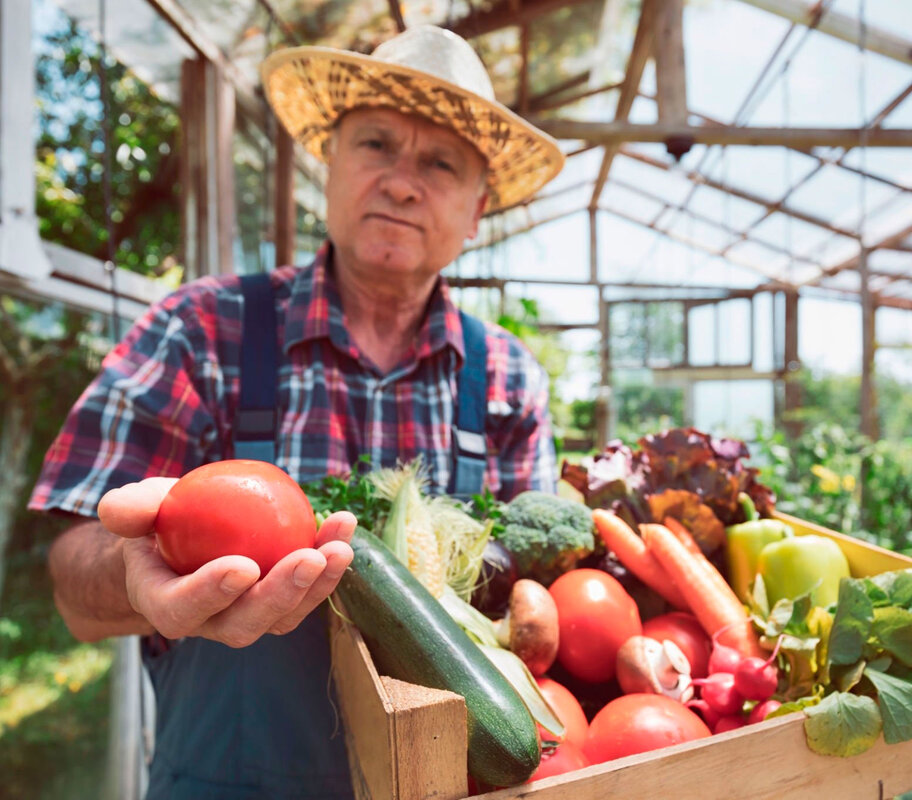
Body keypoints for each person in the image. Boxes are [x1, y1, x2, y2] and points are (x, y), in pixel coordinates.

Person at [28, 24, 565, 799]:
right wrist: (137, 580)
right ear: (330, 163)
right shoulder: (201, 330)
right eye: (376, 145)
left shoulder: (508, 376)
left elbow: (528, 604)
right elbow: (72, 578)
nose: (402, 182)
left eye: (440, 163)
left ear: (478, 209)